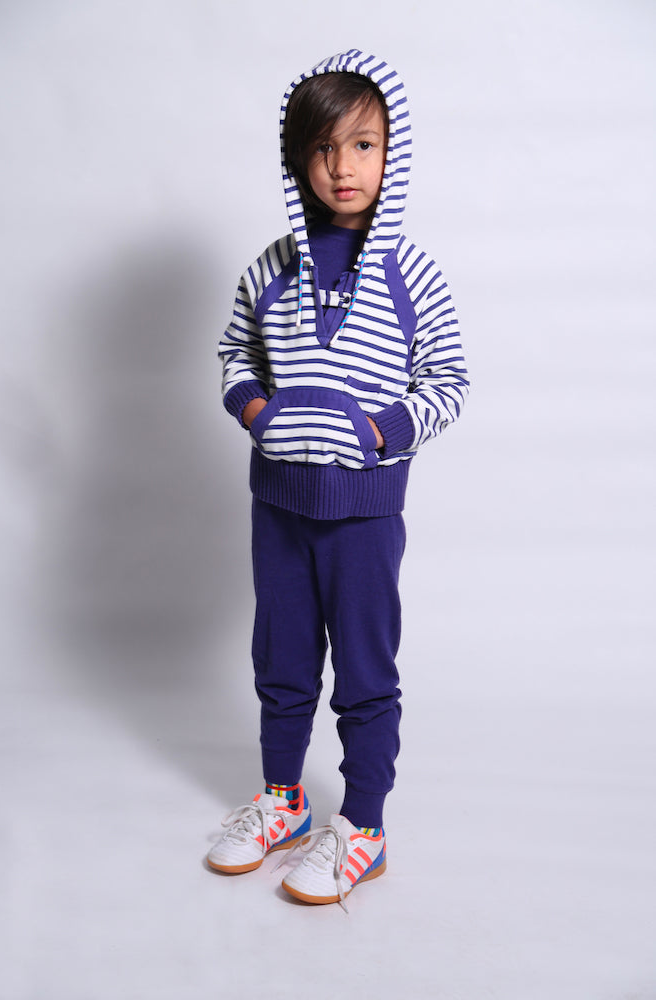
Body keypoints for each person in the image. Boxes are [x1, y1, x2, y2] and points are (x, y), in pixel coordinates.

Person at [208, 49, 469, 909]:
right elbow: (234, 356)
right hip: (278, 506)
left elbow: (447, 380)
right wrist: (257, 412)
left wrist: (378, 430)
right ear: (298, 160)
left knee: (363, 670)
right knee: (280, 660)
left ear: (392, 154)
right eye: (323, 148)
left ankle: (362, 828)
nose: (342, 166)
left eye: (362, 145)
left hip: (363, 514)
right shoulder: (271, 267)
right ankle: (282, 802)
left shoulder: (410, 272)